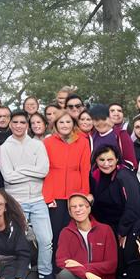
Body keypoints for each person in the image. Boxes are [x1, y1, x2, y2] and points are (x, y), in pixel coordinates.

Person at [88, 145, 140, 279]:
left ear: (117, 159)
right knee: (116, 256)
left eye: (110, 159)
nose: (106, 163)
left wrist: (122, 232)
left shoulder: (124, 175)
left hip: (135, 222)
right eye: (101, 160)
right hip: (113, 224)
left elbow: (133, 205)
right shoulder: (96, 176)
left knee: (130, 254)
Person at [0, 110, 54, 279]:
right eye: (15, 122)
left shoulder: (38, 145)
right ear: (10, 124)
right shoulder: (5, 147)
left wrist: (20, 169)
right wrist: (31, 170)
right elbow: (8, 177)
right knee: (19, 240)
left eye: (22, 122)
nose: (18, 126)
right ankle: (21, 274)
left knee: (46, 239)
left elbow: (44, 171)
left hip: (38, 199)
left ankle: (45, 275)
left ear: (27, 125)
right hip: (16, 200)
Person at [43, 112, 91, 270]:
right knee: (56, 233)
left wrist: (84, 196)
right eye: (61, 122)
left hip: (75, 195)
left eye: (68, 121)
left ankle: (73, 268)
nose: (64, 125)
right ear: (55, 125)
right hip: (54, 195)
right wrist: (48, 197)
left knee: (73, 232)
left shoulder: (83, 142)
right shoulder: (47, 142)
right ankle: (56, 268)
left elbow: (85, 169)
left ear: (73, 124)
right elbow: (45, 171)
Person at [87, 104, 136, 170]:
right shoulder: (92, 137)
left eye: (103, 119)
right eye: (96, 120)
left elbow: (130, 163)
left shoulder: (121, 135)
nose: (100, 123)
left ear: (110, 117)